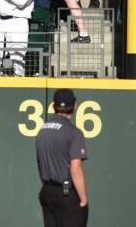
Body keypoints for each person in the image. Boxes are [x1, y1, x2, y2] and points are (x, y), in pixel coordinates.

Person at [36, 88, 89, 227]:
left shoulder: (43, 130)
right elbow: (75, 169)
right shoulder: (74, 133)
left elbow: (40, 166)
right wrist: (83, 200)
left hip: (47, 192)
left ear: (53, 106)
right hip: (66, 195)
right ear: (75, 106)